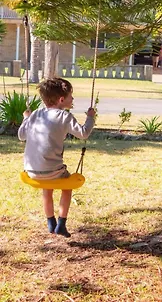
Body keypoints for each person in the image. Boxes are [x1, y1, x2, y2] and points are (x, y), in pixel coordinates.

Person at [18, 78, 96, 238]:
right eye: (70, 96)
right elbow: (83, 133)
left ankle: (50, 222)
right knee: (67, 187)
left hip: (31, 171)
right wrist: (90, 117)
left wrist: (26, 118)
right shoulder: (64, 116)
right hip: (54, 172)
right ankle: (61, 223)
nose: (72, 98)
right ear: (61, 100)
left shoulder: (36, 114)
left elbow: (21, 135)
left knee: (47, 189)